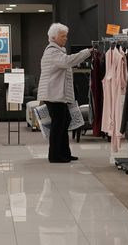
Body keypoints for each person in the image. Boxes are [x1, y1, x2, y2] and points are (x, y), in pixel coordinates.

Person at [37, 22, 92, 163]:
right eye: (63, 36)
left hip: (56, 95)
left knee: (64, 121)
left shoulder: (58, 51)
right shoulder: (52, 51)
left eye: (66, 36)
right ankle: (55, 155)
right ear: (54, 37)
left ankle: (64, 153)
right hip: (53, 95)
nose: (65, 38)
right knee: (59, 124)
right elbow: (67, 62)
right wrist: (86, 52)